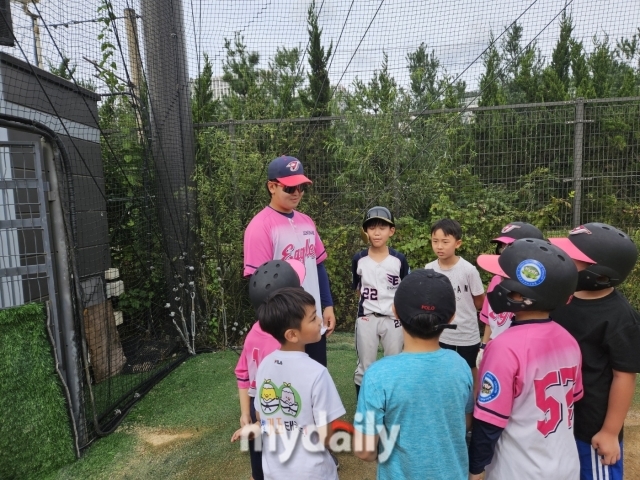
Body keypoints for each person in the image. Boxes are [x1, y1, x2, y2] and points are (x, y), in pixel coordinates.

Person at [468, 238, 583, 480]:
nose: (497, 286)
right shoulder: (569, 340)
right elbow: (573, 400)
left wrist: (476, 469)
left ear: (521, 295)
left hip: (519, 469)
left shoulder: (503, 347)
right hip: (566, 463)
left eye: (503, 280)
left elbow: (489, 423)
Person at [353, 268, 474, 480]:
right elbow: (466, 422)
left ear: (395, 312)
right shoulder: (460, 365)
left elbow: (365, 451)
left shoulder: (378, 375)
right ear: (452, 316)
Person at [549, 223, 640, 480]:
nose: (563, 261)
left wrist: (610, 432)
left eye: (572, 258)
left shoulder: (620, 318)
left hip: (592, 427)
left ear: (600, 273)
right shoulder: (561, 298)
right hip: (559, 420)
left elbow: (625, 376)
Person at [232, 288, 346, 480]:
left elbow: (262, 418)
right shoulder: (317, 373)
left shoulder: (264, 366)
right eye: (312, 318)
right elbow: (326, 435)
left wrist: (254, 428)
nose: (319, 321)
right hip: (314, 472)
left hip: (275, 472)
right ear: (292, 335)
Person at [243, 155, 335, 366]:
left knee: (315, 381)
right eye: (290, 188)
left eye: (301, 187)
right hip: (285, 328)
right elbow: (260, 288)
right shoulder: (259, 227)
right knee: (288, 392)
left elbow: (318, 266)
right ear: (272, 186)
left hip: (312, 321)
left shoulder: (307, 221)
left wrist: (328, 305)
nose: (297, 193)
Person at [235, 259, 306, 480]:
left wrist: (246, 414)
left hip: (258, 404)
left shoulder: (254, 333)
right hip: (275, 410)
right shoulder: (281, 343)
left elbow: (243, 375)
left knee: (259, 466)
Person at [352, 206, 410, 398]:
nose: (377, 232)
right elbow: (358, 289)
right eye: (372, 227)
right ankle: (365, 405)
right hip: (367, 317)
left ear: (391, 231)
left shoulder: (399, 259)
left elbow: (404, 290)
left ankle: (390, 403)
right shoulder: (359, 259)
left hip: (393, 317)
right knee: (365, 366)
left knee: (393, 363)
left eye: (382, 228)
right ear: (365, 231)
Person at [476, 222, 544, 367]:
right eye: (502, 246)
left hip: (522, 354)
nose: (504, 251)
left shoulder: (537, 289)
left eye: (510, 247)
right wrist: (483, 346)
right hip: (495, 348)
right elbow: (489, 319)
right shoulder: (496, 279)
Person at [424, 219, 485, 381]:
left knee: (470, 368)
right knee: (442, 369)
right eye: (435, 241)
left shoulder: (469, 270)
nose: (439, 246)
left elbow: (480, 301)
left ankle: (473, 402)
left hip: (467, 333)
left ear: (457, 243)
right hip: (440, 333)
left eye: (445, 241)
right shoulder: (429, 269)